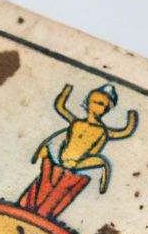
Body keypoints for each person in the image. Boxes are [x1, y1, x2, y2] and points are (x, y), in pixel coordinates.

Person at [18, 82, 137, 219]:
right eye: (97, 102)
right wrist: (67, 90)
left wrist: (131, 117)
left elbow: (125, 132)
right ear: (89, 101)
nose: (101, 108)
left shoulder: (103, 131)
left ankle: (102, 188)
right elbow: (60, 107)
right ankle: (27, 209)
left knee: (102, 163)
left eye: (106, 106)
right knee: (42, 184)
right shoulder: (77, 123)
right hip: (58, 160)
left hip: (78, 163)